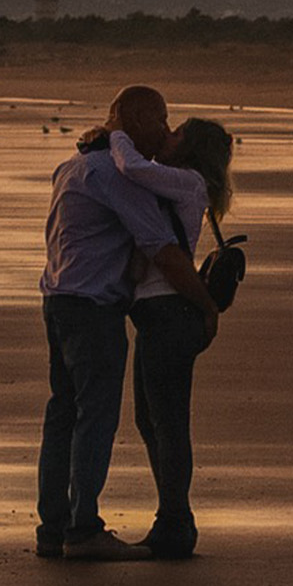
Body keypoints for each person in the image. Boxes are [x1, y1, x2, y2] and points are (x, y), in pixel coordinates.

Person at [36, 85, 219, 560]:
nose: (164, 129)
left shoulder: (71, 167)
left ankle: (52, 528)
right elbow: (162, 250)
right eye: (160, 120)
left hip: (57, 299)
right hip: (94, 308)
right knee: (95, 417)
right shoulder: (114, 176)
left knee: (62, 416)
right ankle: (82, 529)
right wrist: (206, 304)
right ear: (136, 120)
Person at [94, 114, 235, 559]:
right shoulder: (180, 183)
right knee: (151, 421)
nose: (166, 136)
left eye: (175, 135)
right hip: (158, 315)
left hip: (169, 313)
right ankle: (174, 517)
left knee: (168, 422)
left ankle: (175, 522)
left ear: (191, 149)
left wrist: (116, 131)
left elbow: (132, 168)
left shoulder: (187, 182)